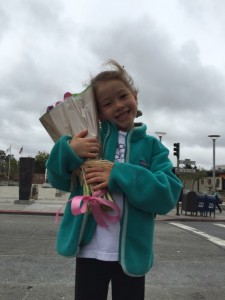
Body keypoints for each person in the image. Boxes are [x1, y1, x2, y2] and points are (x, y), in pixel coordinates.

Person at [46, 59, 182, 300]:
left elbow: (167, 194)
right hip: (89, 251)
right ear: (98, 112)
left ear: (135, 96)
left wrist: (118, 174)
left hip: (131, 255)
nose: (118, 105)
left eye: (122, 96)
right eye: (107, 103)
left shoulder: (152, 147)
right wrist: (68, 150)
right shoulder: (89, 139)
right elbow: (58, 179)